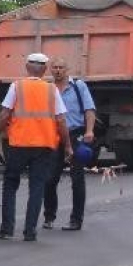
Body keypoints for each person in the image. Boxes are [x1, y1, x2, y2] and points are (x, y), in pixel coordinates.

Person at [0, 53, 72, 242]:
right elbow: (61, 120)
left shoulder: (16, 87)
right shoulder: (52, 90)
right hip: (44, 146)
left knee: (10, 183)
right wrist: (67, 145)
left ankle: (7, 228)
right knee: (37, 186)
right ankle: (30, 231)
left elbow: (4, 115)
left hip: (19, 144)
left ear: (26, 67)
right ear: (44, 70)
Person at [43, 56, 97, 231]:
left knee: (77, 179)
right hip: (54, 137)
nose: (58, 70)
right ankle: (49, 217)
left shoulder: (78, 86)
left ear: (67, 70)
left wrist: (89, 131)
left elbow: (89, 109)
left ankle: (76, 219)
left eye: (61, 67)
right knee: (50, 178)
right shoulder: (48, 88)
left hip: (76, 135)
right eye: (55, 67)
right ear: (51, 70)